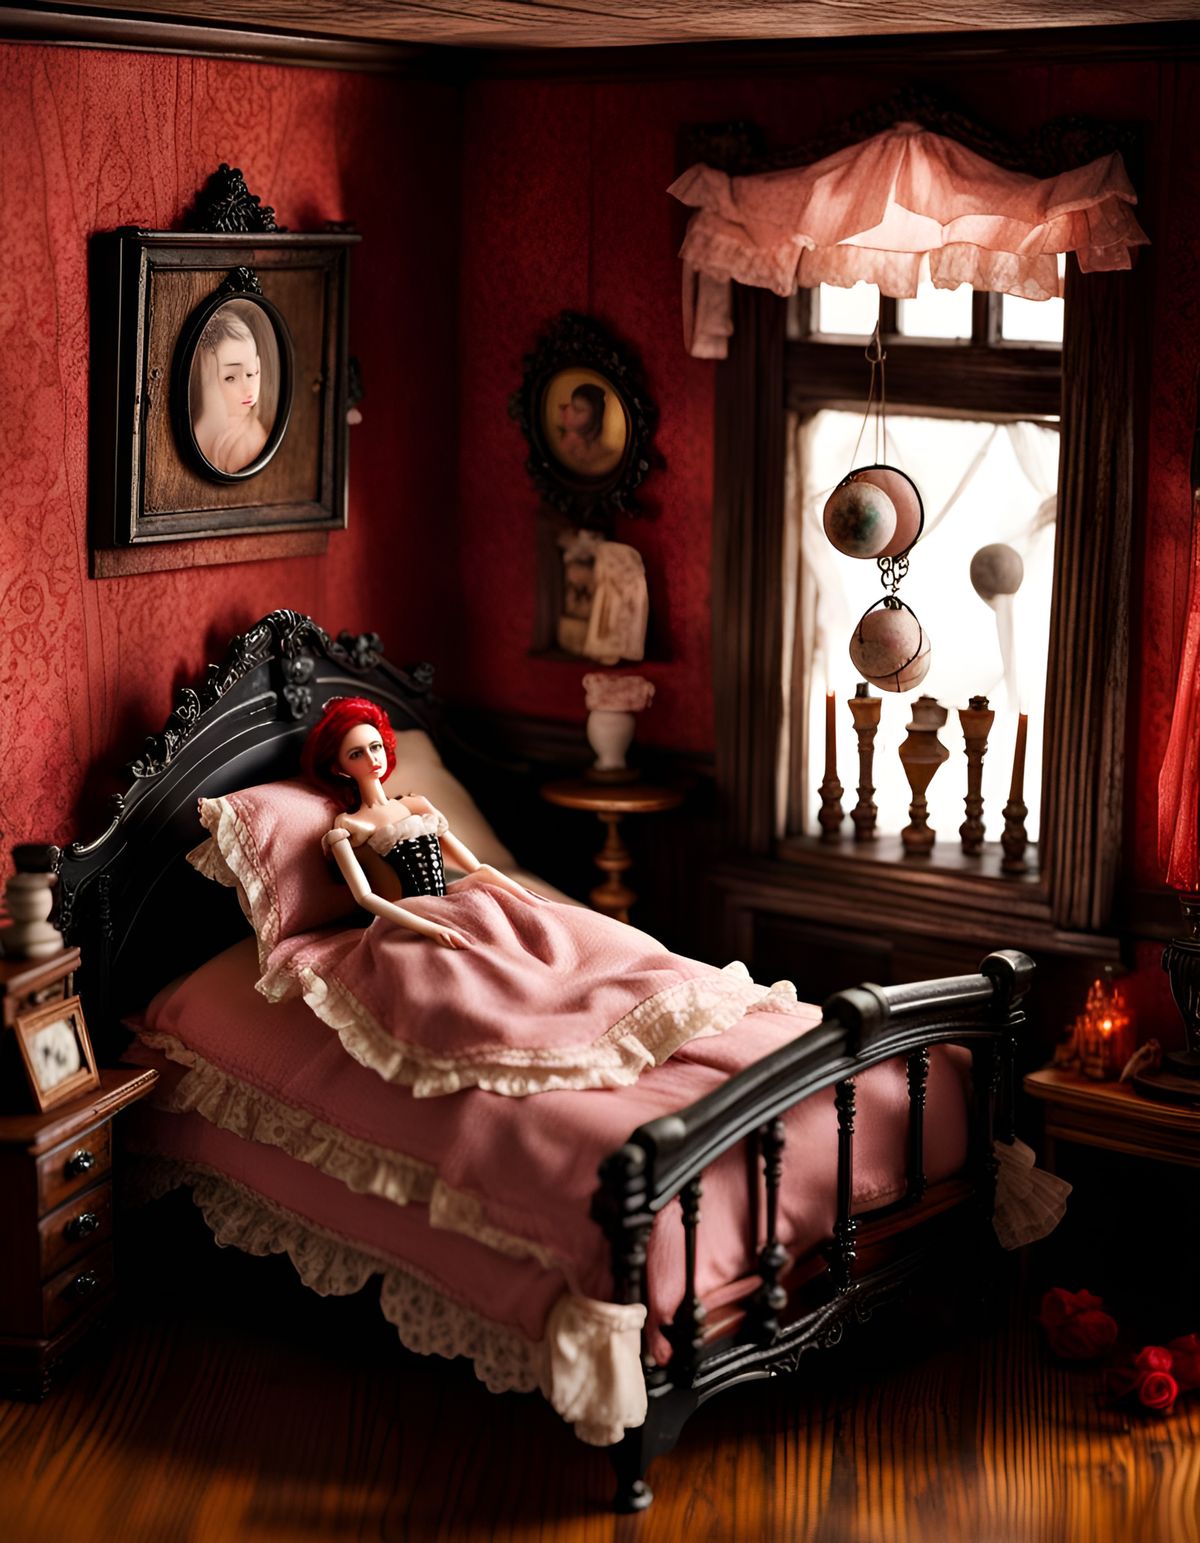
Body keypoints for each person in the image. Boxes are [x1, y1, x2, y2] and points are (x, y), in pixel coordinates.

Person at [301, 696, 543, 949]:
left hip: (449, 906)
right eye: (356, 754)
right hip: (407, 922)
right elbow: (365, 897)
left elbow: (475, 867)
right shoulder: (349, 826)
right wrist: (429, 928)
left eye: (376, 747)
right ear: (338, 768)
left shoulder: (417, 805)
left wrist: (529, 899)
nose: (372, 759)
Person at [192, 308, 269, 475]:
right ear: (209, 379)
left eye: (251, 373)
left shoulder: (248, 442)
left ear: (258, 366)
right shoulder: (209, 425)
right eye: (231, 378)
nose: (247, 388)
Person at [555, 382, 609, 471]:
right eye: (571, 406)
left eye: (578, 410)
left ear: (595, 417)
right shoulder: (565, 441)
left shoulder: (603, 455)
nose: (569, 414)